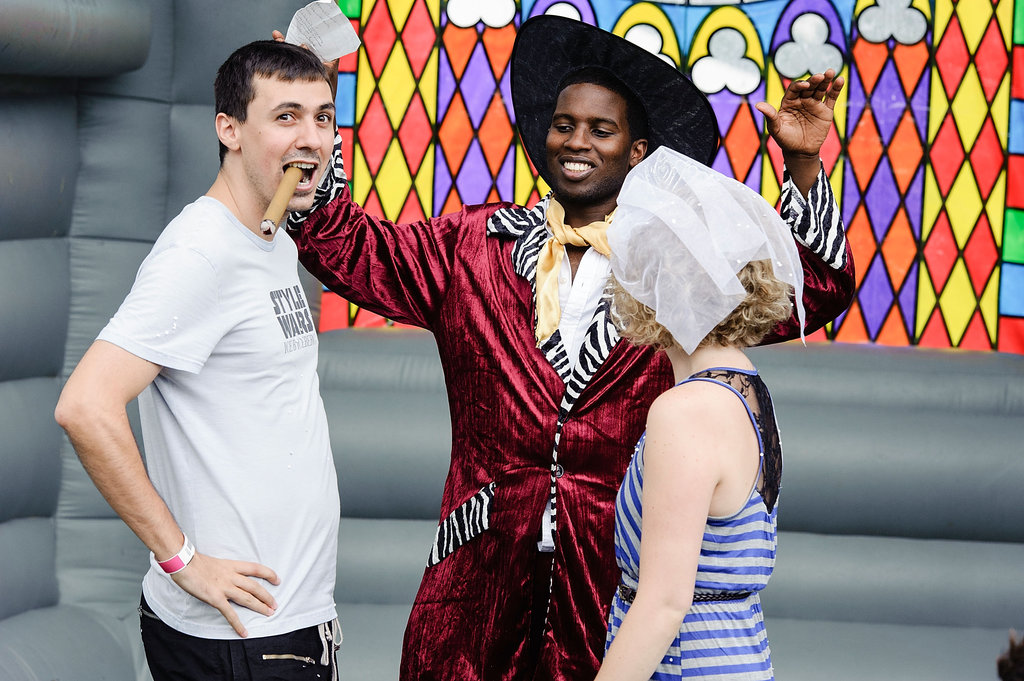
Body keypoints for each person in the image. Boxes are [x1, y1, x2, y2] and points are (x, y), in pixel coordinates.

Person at [288, 14, 854, 681]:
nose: (576, 141)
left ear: (639, 151)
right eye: (564, 124)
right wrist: (308, 115)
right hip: (476, 584)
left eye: (601, 129)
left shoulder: (676, 270)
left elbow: (805, 289)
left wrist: (804, 163)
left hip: (608, 586)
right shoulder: (473, 246)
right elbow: (341, 242)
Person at [54, 40, 342, 680]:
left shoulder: (269, 235)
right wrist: (183, 559)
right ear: (229, 129)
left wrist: (302, 84)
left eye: (324, 117)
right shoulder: (201, 253)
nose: (313, 138)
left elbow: (315, 160)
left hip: (284, 624)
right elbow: (85, 406)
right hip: (239, 640)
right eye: (286, 116)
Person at [597, 145, 802, 680]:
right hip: (736, 655)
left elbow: (664, 603)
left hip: (688, 664)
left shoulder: (686, 411)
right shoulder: (748, 392)